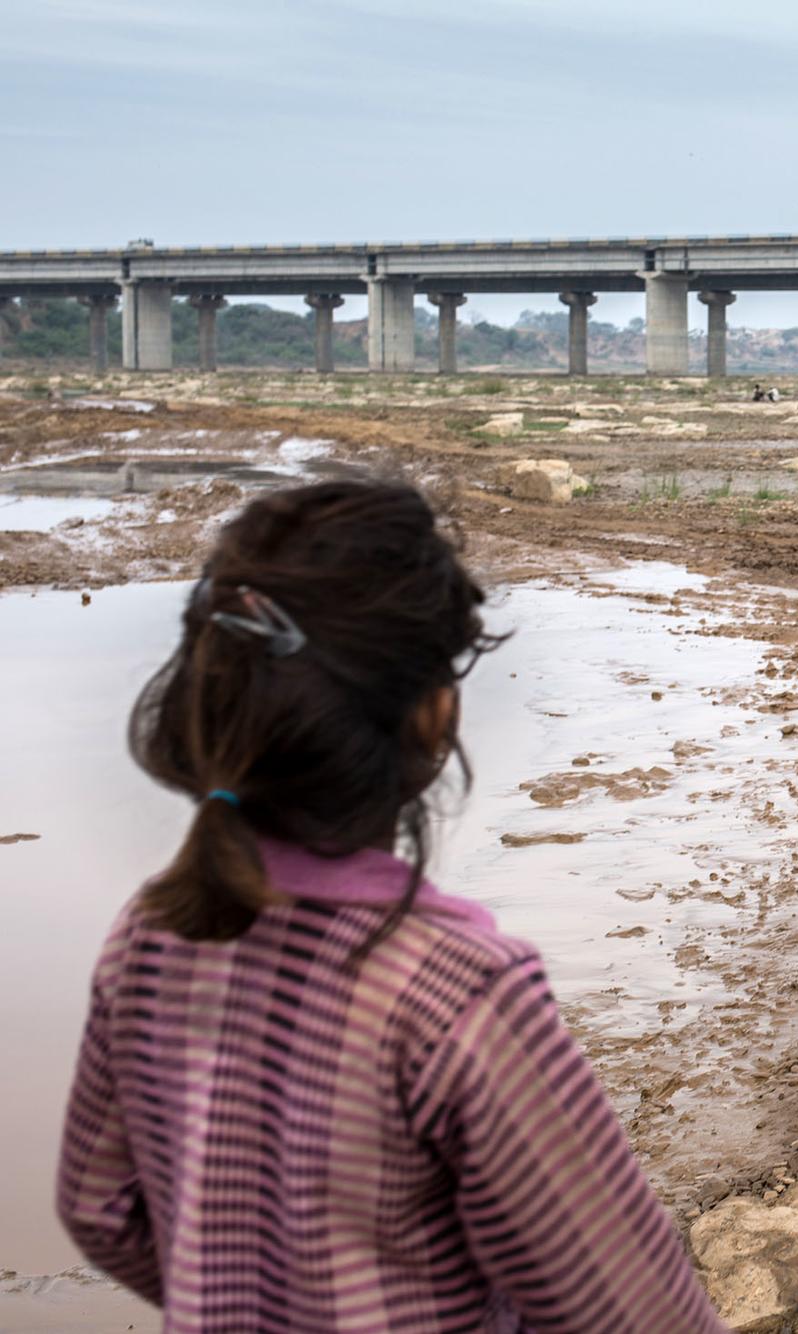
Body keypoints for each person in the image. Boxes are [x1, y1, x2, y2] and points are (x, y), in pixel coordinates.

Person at [56, 480, 728, 1332]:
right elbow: (631, 1312)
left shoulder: (150, 934)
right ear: (432, 717)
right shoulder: (457, 993)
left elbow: (98, 1210)